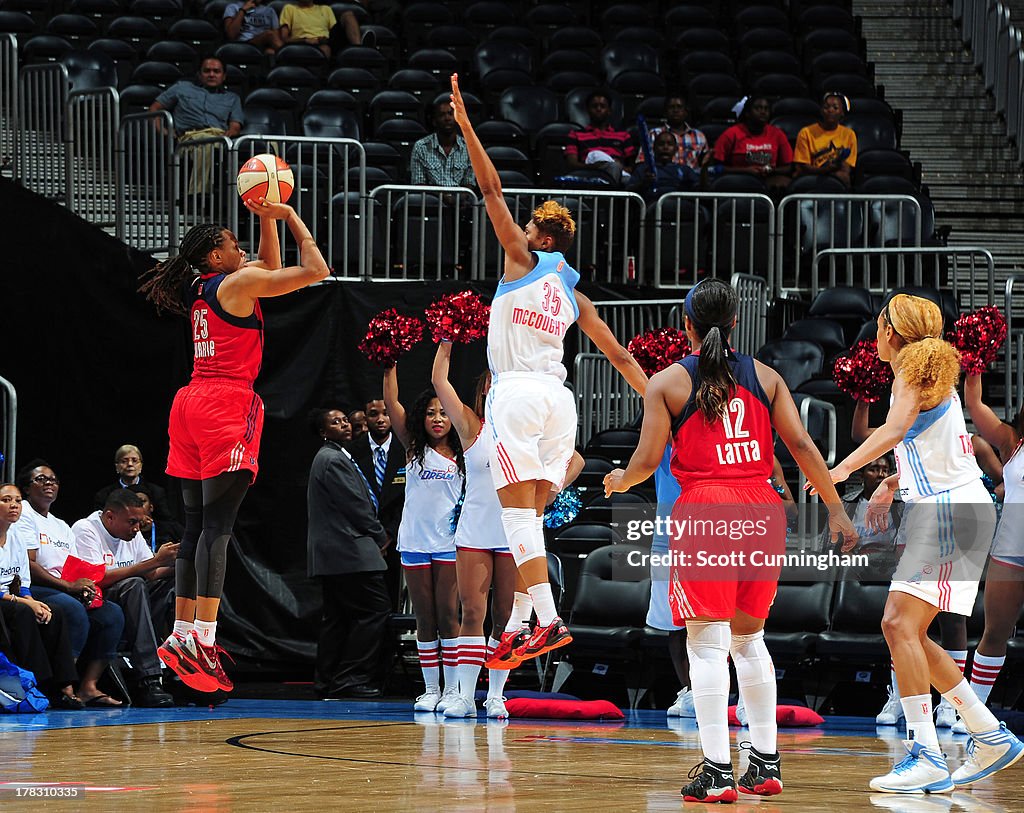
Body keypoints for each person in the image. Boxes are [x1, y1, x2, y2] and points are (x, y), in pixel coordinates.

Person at [604, 279, 856, 802]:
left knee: (707, 642)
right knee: (749, 640)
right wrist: (836, 510)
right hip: (761, 509)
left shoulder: (668, 383)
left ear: (685, 324)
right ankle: (763, 763)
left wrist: (619, 482)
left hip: (707, 507)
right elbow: (804, 446)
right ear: (737, 323)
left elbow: (647, 461)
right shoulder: (766, 376)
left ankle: (718, 769)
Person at [450, 73, 648, 670]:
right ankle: (516, 628)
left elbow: (489, 190)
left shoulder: (522, 261)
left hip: (515, 396)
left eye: (528, 225)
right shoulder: (573, 293)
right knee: (530, 522)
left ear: (538, 234)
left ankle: (549, 620)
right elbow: (618, 357)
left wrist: (465, 127)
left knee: (515, 519)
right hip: (561, 402)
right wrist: (660, 400)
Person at [827, 293, 1021, 792]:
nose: (875, 333)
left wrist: (844, 467)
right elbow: (928, 445)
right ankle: (986, 732)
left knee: (897, 624)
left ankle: (926, 752)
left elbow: (894, 429)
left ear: (892, 333)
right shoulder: (926, 371)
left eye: (879, 324)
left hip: (950, 515)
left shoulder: (913, 372)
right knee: (909, 632)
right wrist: (891, 484)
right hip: (954, 510)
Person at [138, 198, 330, 694]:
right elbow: (316, 269)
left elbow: (266, 265)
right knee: (219, 527)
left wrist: (266, 216)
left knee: (197, 523)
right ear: (216, 257)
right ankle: (204, 635)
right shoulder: (239, 284)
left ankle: (180, 633)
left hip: (189, 404)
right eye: (232, 242)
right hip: (226, 403)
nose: (240, 247)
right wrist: (290, 216)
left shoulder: (206, 285)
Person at [852, 398, 969, 731]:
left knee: (949, 620)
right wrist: (862, 392)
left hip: (949, 513)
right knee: (903, 624)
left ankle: (950, 706)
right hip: (915, 518)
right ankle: (904, 697)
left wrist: (843, 469)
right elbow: (863, 433)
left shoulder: (937, 412)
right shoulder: (904, 413)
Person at [430, 344, 517, 719]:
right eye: (490, 384)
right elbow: (438, 379)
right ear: (483, 392)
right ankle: (465, 695)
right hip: (475, 533)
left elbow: (573, 459)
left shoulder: (526, 437)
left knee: (506, 615)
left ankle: (495, 694)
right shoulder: (470, 427)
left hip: (515, 533)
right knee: (473, 612)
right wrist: (447, 339)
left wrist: (551, 489)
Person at [383, 365, 464, 712]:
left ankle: (455, 689)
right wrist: (390, 366)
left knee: (449, 615)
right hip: (415, 542)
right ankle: (431, 689)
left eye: (444, 412)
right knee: (424, 617)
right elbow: (391, 403)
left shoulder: (466, 453)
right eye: (430, 412)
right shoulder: (412, 447)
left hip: (448, 543)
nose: (437, 418)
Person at [12, 462, 126, 708]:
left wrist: (85, 586)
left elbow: (74, 566)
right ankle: (63, 686)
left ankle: (89, 686)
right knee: (72, 610)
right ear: (27, 489)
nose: (49, 483)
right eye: (41, 479)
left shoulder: (61, 525)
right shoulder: (25, 518)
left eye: (53, 479)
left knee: (111, 614)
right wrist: (68, 587)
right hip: (35, 587)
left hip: (64, 585)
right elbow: (30, 565)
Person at [307, 408, 390, 699]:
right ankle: (350, 677)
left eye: (344, 420)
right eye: (334, 422)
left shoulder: (335, 456)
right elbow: (355, 504)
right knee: (374, 610)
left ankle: (327, 678)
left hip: (334, 554)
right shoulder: (332, 459)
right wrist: (380, 534)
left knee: (338, 617)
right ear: (322, 432)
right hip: (348, 551)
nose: (343, 424)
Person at [957, 372, 1024, 727]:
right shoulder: (1013, 440)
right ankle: (973, 713)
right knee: (994, 632)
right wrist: (976, 365)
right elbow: (975, 405)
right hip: (1010, 552)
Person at [72, 490, 177, 708]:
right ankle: (149, 679)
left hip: (132, 599)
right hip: (97, 600)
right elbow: (95, 580)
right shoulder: (86, 529)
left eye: (139, 522)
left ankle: (182, 669)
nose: (137, 528)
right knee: (134, 584)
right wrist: (155, 562)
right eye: (131, 522)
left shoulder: (133, 533)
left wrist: (182, 564)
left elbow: (152, 573)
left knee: (175, 585)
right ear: (110, 517)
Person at [0, 484, 85, 710]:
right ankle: (34, 683)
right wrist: (26, 602)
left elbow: (22, 581)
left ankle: (64, 686)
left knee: (53, 611)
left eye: (17, 501)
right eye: (6, 500)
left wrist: (33, 601)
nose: (14, 506)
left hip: (12, 597)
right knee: (22, 612)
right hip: (4, 601)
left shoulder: (17, 536)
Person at [349, 398, 407, 610]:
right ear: (365, 418)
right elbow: (351, 498)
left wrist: (389, 533)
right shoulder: (353, 451)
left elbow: (409, 497)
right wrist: (372, 534)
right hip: (363, 538)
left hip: (394, 536)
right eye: (374, 414)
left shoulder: (406, 449)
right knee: (364, 601)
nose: (381, 419)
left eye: (386, 413)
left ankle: (392, 642)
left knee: (392, 598)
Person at [149, 57, 244, 142]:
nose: (211, 74)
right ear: (199, 74)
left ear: (224, 76)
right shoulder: (181, 88)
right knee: (205, 143)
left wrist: (230, 133)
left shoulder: (232, 98)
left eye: (216, 71)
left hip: (219, 138)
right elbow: (154, 108)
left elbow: (235, 127)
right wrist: (163, 131)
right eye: (207, 71)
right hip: (189, 138)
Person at [712, 96, 792, 190]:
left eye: (766, 109)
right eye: (758, 108)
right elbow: (716, 168)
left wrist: (771, 170)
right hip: (738, 181)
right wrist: (746, 171)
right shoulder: (731, 134)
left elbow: (788, 167)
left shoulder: (777, 134)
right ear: (747, 113)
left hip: (769, 180)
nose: (763, 112)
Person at [93, 444, 175, 525]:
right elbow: (100, 523)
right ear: (117, 466)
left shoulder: (156, 492)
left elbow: (167, 522)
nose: (130, 464)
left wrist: (149, 524)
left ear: (141, 466)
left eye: (134, 460)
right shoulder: (104, 495)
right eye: (124, 461)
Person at [564, 90, 635, 178]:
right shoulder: (575, 134)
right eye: (594, 106)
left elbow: (632, 167)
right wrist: (595, 167)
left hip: (619, 174)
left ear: (609, 110)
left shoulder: (623, 135)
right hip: (588, 174)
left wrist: (617, 167)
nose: (598, 109)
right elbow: (572, 164)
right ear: (588, 110)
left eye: (603, 106)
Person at [793, 93, 858, 187]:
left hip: (836, 180)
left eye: (835, 108)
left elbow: (846, 168)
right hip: (811, 179)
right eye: (826, 107)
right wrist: (826, 170)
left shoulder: (849, 134)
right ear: (821, 111)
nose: (830, 110)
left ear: (842, 113)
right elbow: (803, 167)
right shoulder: (806, 132)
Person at [410, 100, 476, 189]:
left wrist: (456, 199)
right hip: (431, 200)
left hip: (460, 201)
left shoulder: (468, 147)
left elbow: (469, 183)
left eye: (450, 114)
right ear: (434, 121)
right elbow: (419, 184)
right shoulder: (421, 146)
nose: (447, 118)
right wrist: (442, 197)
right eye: (442, 115)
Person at [637, 95, 708, 172]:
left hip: (691, 180)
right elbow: (642, 162)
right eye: (671, 107)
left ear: (686, 112)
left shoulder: (699, 136)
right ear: (665, 112)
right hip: (662, 178)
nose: (675, 110)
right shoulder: (653, 134)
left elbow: (706, 165)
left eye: (679, 107)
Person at [628, 131, 700, 203]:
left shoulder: (685, 170)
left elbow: (699, 188)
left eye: (670, 144)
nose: (665, 147)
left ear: (676, 149)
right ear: (654, 148)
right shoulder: (643, 169)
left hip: (681, 207)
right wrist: (643, 183)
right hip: (652, 207)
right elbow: (628, 192)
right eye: (661, 144)